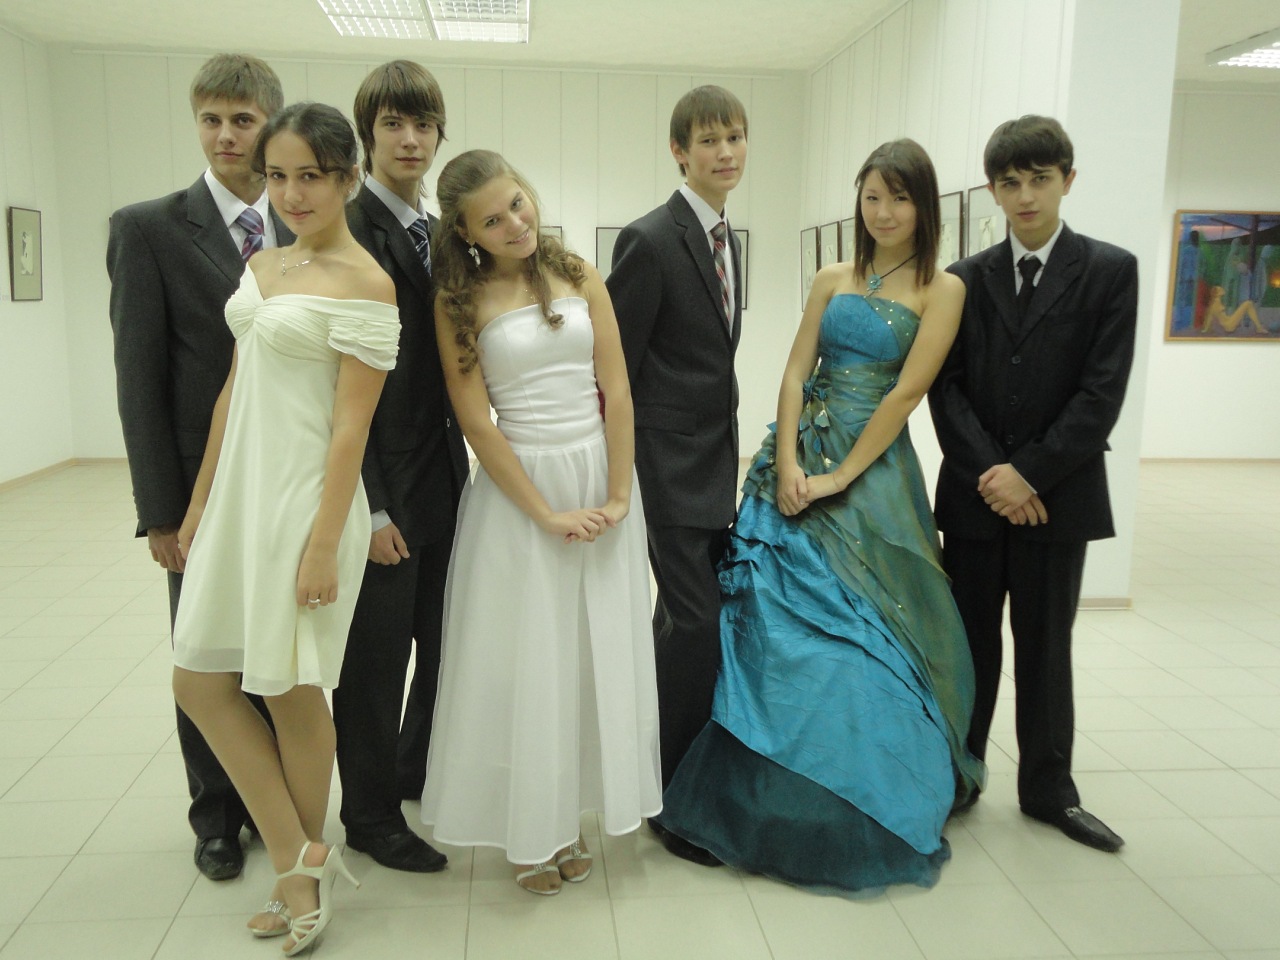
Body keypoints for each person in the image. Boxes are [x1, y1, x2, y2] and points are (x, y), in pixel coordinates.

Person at [658, 139, 984, 893]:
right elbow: (796, 369)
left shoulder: (943, 289)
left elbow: (905, 395)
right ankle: (744, 769)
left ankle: (857, 786)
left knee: (864, 635)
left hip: (871, 468)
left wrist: (839, 476)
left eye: (899, 199)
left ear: (924, 207)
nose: (884, 212)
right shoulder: (833, 275)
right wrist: (790, 464)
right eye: (872, 197)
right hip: (798, 456)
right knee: (764, 611)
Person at [170, 102, 399, 952]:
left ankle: (296, 880)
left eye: (312, 176)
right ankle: (301, 853)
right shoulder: (264, 263)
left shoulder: (367, 282)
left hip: (307, 503)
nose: (293, 193)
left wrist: (322, 543)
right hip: (241, 496)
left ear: (348, 178)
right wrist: (200, 504)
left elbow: (351, 428)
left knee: (290, 689)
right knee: (198, 680)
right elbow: (234, 390)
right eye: (277, 176)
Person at [420, 149, 661, 896]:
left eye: (517, 204)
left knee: (589, 654)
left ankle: (571, 814)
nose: (515, 225)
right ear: (466, 234)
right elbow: (476, 421)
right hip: (520, 493)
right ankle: (531, 829)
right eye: (492, 220)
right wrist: (545, 513)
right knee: (527, 660)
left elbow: (617, 390)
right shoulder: (458, 302)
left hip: (599, 479)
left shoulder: (580, 273)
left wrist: (617, 494)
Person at [928, 115, 1138, 853]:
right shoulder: (964, 278)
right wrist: (996, 477)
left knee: (1047, 647)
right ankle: (959, 777)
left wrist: (1029, 474)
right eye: (1010, 182)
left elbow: (1101, 394)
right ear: (992, 190)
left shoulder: (1109, 271)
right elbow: (945, 388)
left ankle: (1049, 791)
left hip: (1058, 499)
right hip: (977, 498)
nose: (1025, 196)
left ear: (1067, 181)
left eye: (1040, 180)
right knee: (970, 644)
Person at [106, 52, 289, 884]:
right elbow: (138, 380)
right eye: (210, 119)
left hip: (285, 481)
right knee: (208, 656)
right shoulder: (148, 228)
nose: (224, 136)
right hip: (199, 490)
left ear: (270, 125)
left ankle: (276, 804)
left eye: (242, 120)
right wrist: (160, 511)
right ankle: (216, 816)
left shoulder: (303, 222)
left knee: (277, 651)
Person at [332, 59, 469, 876]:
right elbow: (334, 390)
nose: (410, 138)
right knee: (375, 666)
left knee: (444, 646)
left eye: (422, 124)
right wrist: (372, 507)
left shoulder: (444, 231)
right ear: (368, 135)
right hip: (380, 488)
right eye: (393, 124)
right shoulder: (346, 230)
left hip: (447, 480)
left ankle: (413, 771)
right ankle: (371, 817)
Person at [605, 85, 746, 867]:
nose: (725, 152)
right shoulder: (651, 239)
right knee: (694, 624)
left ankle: (665, 767)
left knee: (684, 627)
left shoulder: (725, 235)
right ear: (679, 152)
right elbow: (614, 369)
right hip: (666, 468)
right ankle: (668, 798)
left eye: (735, 137)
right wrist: (620, 477)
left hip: (715, 464)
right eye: (709, 140)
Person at [1201, 284, 1269, 335]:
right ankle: (1259, 327)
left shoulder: (1217, 302)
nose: (1223, 289)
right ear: (1217, 294)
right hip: (1229, 325)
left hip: (1229, 321)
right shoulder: (1215, 304)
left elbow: (1210, 317)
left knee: (1249, 304)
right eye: (1220, 289)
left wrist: (1206, 329)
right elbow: (1210, 317)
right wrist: (1205, 329)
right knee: (1248, 303)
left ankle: (1259, 327)